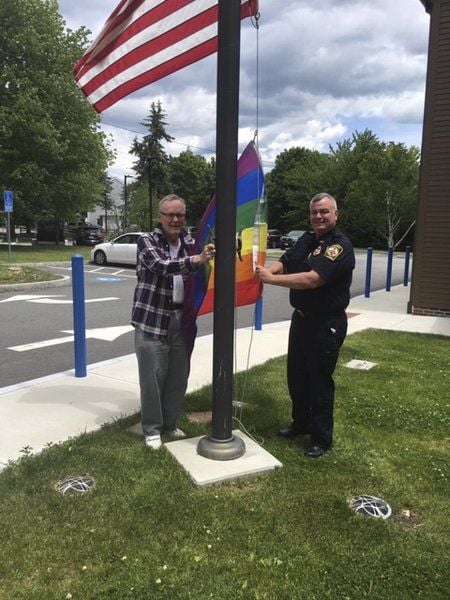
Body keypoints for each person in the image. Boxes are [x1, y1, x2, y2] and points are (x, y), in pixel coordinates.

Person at [255, 193, 355, 458]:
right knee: (297, 376)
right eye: (314, 213)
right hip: (301, 319)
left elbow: (314, 279)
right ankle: (300, 424)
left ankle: (321, 439)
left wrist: (270, 280)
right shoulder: (308, 239)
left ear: (335, 214)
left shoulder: (339, 246)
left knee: (319, 381)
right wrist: (270, 270)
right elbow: (287, 259)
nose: (318, 217)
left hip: (325, 323)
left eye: (324, 212)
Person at [131, 194, 215, 449]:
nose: (175, 219)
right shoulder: (147, 240)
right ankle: (152, 429)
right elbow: (160, 265)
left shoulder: (189, 242)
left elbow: (204, 264)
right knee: (153, 377)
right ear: (160, 217)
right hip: (152, 319)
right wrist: (197, 259)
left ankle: (170, 423)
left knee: (179, 375)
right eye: (170, 215)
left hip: (183, 318)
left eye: (180, 215)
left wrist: (210, 252)